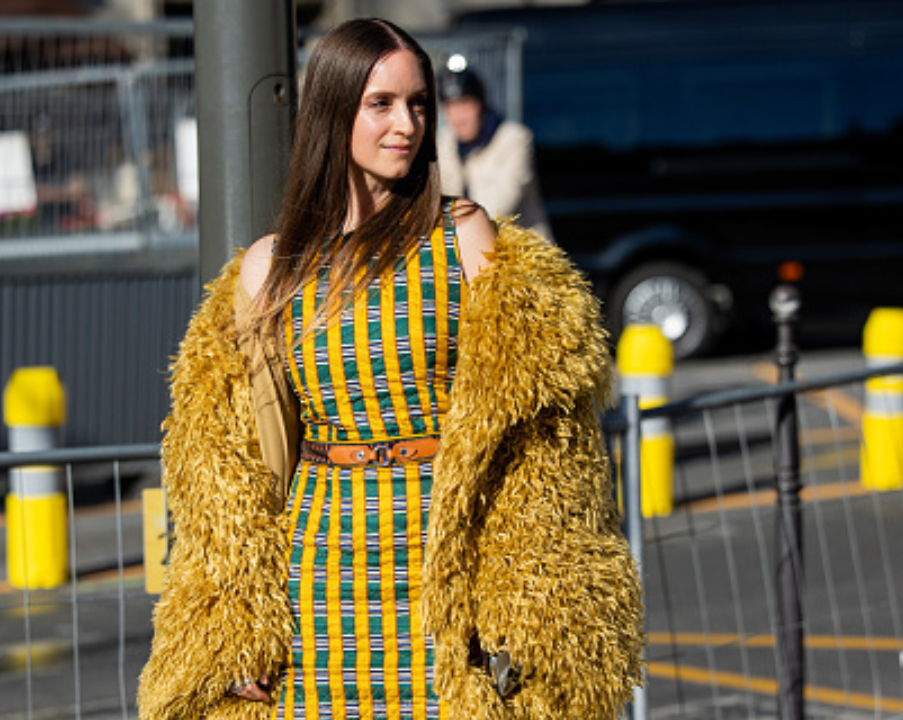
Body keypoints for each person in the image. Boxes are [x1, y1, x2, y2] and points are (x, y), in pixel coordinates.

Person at [138, 18, 642, 720]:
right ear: (332, 110)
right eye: (381, 103)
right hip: (318, 574)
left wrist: (529, 606)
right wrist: (230, 627)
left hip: (449, 572)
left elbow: (544, 446)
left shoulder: (463, 236)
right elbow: (227, 470)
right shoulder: (270, 267)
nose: (407, 124)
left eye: (418, 103)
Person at [436, 64, 553, 240]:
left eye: (464, 105)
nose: (458, 117)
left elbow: (498, 207)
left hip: (523, 251)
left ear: (480, 104)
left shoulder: (515, 139)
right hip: (471, 246)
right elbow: (437, 195)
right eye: (450, 107)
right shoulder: (446, 143)